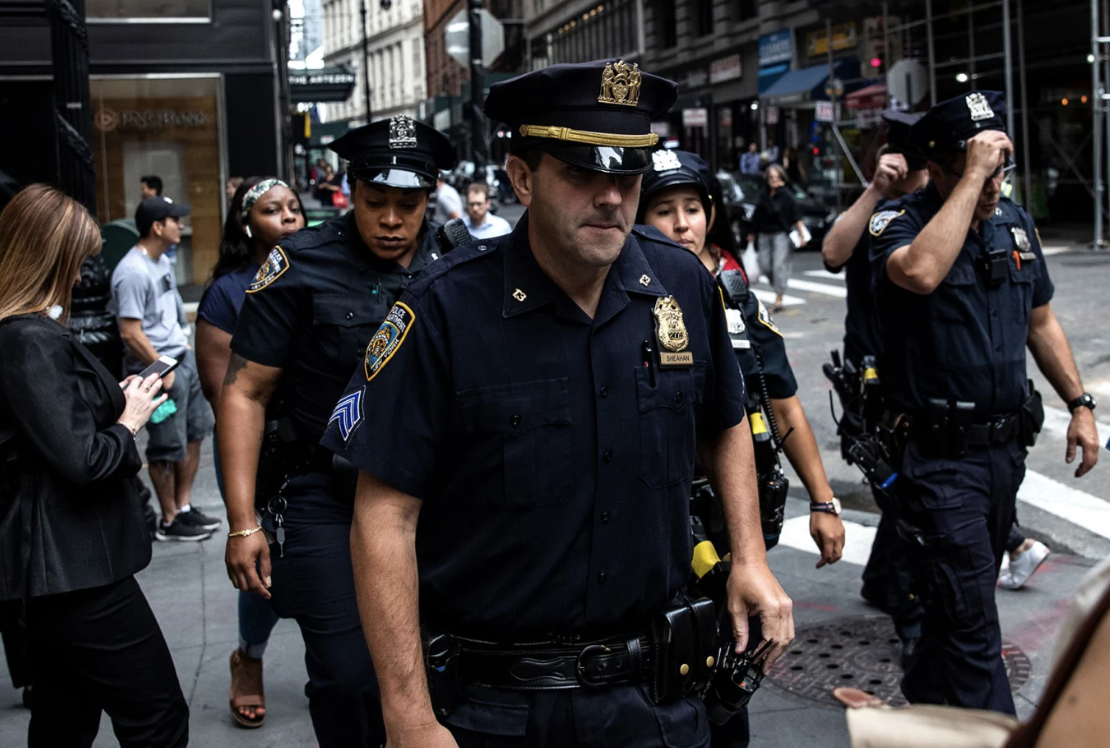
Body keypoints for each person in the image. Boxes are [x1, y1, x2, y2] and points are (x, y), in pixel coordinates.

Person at [322, 58, 794, 748]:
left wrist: (750, 555)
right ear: (521, 177)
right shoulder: (445, 311)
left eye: (627, 177)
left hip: (659, 700)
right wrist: (408, 716)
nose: (611, 198)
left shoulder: (682, 284)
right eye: (582, 174)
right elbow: (385, 513)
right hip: (499, 709)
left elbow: (724, 421)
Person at [219, 115, 456, 748]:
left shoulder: (466, 263)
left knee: (446, 667)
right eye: (375, 201)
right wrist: (243, 521)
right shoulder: (298, 265)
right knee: (349, 677)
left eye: (408, 204)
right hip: (328, 495)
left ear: (429, 196)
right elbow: (245, 390)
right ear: (349, 187)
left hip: (441, 497)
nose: (390, 219)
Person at [869, 91, 1100, 714]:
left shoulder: (1015, 223)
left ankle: (922, 705)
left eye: (999, 168)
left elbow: (1042, 321)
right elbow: (919, 272)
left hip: (1003, 455)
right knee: (974, 623)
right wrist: (970, 179)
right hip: (938, 462)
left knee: (955, 608)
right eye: (975, 167)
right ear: (937, 168)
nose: (994, 183)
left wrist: (1079, 403)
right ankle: (997, 730)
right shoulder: (898, 224)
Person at [638, 149, 845, 748]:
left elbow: (782, 403)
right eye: (663, 210)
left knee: (731, 684)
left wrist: (825, 502)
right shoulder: (620, 300)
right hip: (652, 531)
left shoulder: (735, 299)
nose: (682, 225)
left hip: (729, 529)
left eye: (693, 209)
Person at [0, 184, 189, 747]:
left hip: (64, 571)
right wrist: (129, 419)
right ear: (50, 258)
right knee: (156, 717)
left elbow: (57, 427)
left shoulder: (29, 332)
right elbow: (84, 459)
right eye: (79, 261)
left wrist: (121, 397)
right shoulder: (27, 338)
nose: (86, 274)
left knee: (65, 718)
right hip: (75, 570)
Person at [195, 177, 305, 729]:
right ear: (247, 223)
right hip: (255, 450)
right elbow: (224, 396)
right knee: (263, 561)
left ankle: (336, 662)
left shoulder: (321, 273)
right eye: (271, 210)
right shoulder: (227, 292)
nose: (287, 217)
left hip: (320, 442)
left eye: (293, 207)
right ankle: (249, 659)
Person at [822, 111, 929, 656]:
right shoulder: (875, 206)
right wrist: (875, 189)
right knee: (901, 492)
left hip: (924, 374)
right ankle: (910, 615)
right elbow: (832, 253)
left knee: (913, 492)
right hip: (872, 377)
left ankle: (883, 581)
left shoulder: (934, 205)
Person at [110, 196, 219, 541]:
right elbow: (130, 331)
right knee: (166, 445)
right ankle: (170, 519)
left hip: (180, 358)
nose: (181, 226)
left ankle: (184, 508)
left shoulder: (161, 262)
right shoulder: (132, 271)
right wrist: (160, 368)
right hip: (158, 368)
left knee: (194, 433)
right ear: (157, 227)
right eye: (175, 220)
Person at [747, 164, 805, 312]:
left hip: (781, 235)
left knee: (778, 266)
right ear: (767, 179)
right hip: (764, 235)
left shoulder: (787, 196)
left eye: (777, 177)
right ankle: (779, 286)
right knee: (765, 266)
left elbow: (796, 217)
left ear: (781, 179)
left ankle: (778, 299)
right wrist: (752, 233)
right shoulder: (764, 195)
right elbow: (756, 216)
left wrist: (802, 235)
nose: (774, 180)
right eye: (771, 177)